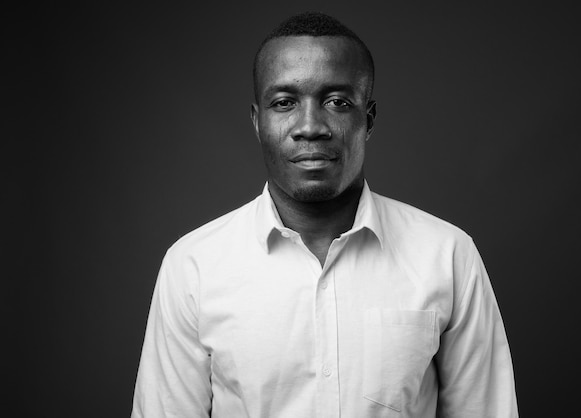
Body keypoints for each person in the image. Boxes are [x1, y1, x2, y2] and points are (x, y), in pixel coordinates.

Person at [131, 11, 518, 418]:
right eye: (284, 103)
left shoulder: (448, 256)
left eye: (336, 102)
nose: (310, 126)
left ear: (367, 120)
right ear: (257, 121)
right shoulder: (193, 266)